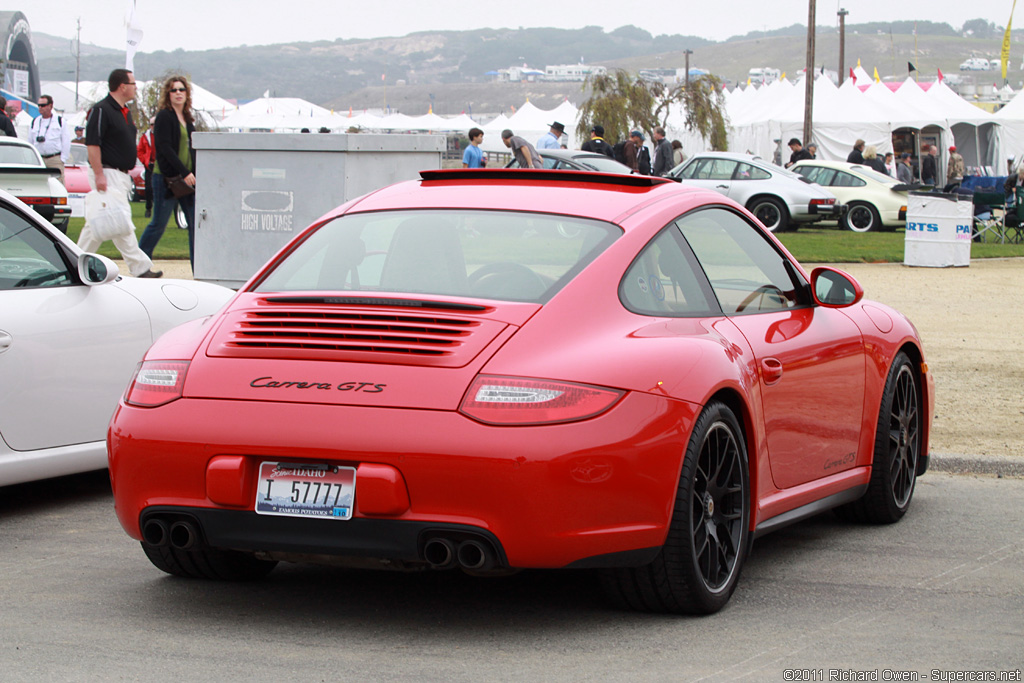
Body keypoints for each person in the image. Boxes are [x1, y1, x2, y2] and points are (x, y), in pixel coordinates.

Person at [78, 69, 161, 278]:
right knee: (117, 220)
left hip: (121, 174)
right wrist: (99, 175)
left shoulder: (124, 112)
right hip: (107, 172)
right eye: (133, 83)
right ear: (122, 86)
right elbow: (92, 144)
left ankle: (75, 260)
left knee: (103, 223)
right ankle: (140, 268)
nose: (135, 88)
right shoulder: (101, 110)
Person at [139, 76, 198, 270]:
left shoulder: (188, 119)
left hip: (188, 180)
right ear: (168, 94)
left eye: (182, 89)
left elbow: (193, 149)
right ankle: (141, 265)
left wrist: (195, 173)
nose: (178, 93)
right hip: (166, 179)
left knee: (195, 225)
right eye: (174, 90)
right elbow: (164, 148)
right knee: (158, 224)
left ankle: (198, 268)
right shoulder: (164, 116)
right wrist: (184, 172)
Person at [29, 94, 71, 186]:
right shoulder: (35, 121)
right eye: (39, 105)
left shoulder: (60, 121)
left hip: (55, 159)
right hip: (39, 159)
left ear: (50, 106)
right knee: (38, 184)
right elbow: (30, 141)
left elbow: (66, 141)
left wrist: (62, 159)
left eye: (43, 105)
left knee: (57, 184)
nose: (40, 108)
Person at [137, 120, 155, 217]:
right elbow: (139, 150)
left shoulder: (162, 135)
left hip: (160, 165)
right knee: (148, 188)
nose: (154, 126)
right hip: (149, 165)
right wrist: (145, 161)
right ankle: (148, 208)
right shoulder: (145, 137)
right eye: (152, 124)